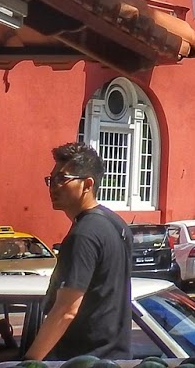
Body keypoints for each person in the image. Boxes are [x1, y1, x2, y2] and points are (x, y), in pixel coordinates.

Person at [26, 141, 132, 361]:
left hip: (84, 360)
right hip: (115, 359)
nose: (54, 186)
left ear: (88, 184)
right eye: (51, 179)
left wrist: (29, 362)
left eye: (62, 179)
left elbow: (66, 310)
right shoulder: (116, 224)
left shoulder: (84, 234)